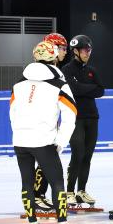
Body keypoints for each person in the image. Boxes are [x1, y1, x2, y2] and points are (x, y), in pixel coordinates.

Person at [10, 41, 81, 224]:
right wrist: (61, 142)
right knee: (57, 182)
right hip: (44, 141)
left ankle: (33, 223)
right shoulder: (59, 84)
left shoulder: (18, 84)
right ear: (54, 58)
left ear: (35, 57)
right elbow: (71, 115)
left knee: (26, 183)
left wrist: (19, 133)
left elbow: (12, 112)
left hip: (20, 140)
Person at [61, 34, 105, 208]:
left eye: (89, 50)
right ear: (75, 51)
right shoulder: (67, 70)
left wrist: (81, 88)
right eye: (85, 50)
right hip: (76, 118)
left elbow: (100, 91)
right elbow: (72, 89)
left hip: (92, 117)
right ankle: (69, 191)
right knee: (78, 154)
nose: (88, 53)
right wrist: (88, 88)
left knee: (87, 156)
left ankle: (81, 190)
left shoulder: (92, 70)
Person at [32, 33, 69, 210]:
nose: (65, 52)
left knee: (47, 159)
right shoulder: (47, 72)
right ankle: (36, 195)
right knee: (46, 160)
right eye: (62, 48)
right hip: (42, 122)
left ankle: (39, 194)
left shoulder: (54, 70)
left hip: (49, 120)